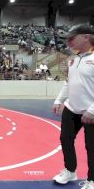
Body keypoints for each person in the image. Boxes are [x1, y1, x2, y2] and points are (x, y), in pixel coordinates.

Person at [52, 24, 94, 189]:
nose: (68, 43)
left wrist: (92, 110)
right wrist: (59, 100)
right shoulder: (74, 59)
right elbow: (68, 83)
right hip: (71, 109)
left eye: (71, 38)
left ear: (85, 37)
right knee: (65, 139)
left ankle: (92, 180)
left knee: (91, 146)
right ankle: (70, 171)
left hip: (90, 111)